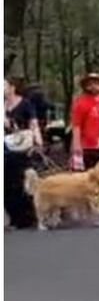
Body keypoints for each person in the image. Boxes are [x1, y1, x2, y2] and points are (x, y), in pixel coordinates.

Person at [5, 78, 42, 229]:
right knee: (7, 184)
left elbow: (33, 123)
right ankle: (14, 217)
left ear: (12, 88)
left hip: (22, 146)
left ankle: (29, 217)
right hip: (5, 148)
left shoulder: (25, 103)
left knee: (23, 182)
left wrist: (37, 140)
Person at [69, 73, 99, 170]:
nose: (93, 86)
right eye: (90, 83)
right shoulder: (81, 102)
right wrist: (76, 144)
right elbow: (76, 125)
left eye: (96, 83)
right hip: (87, 145)